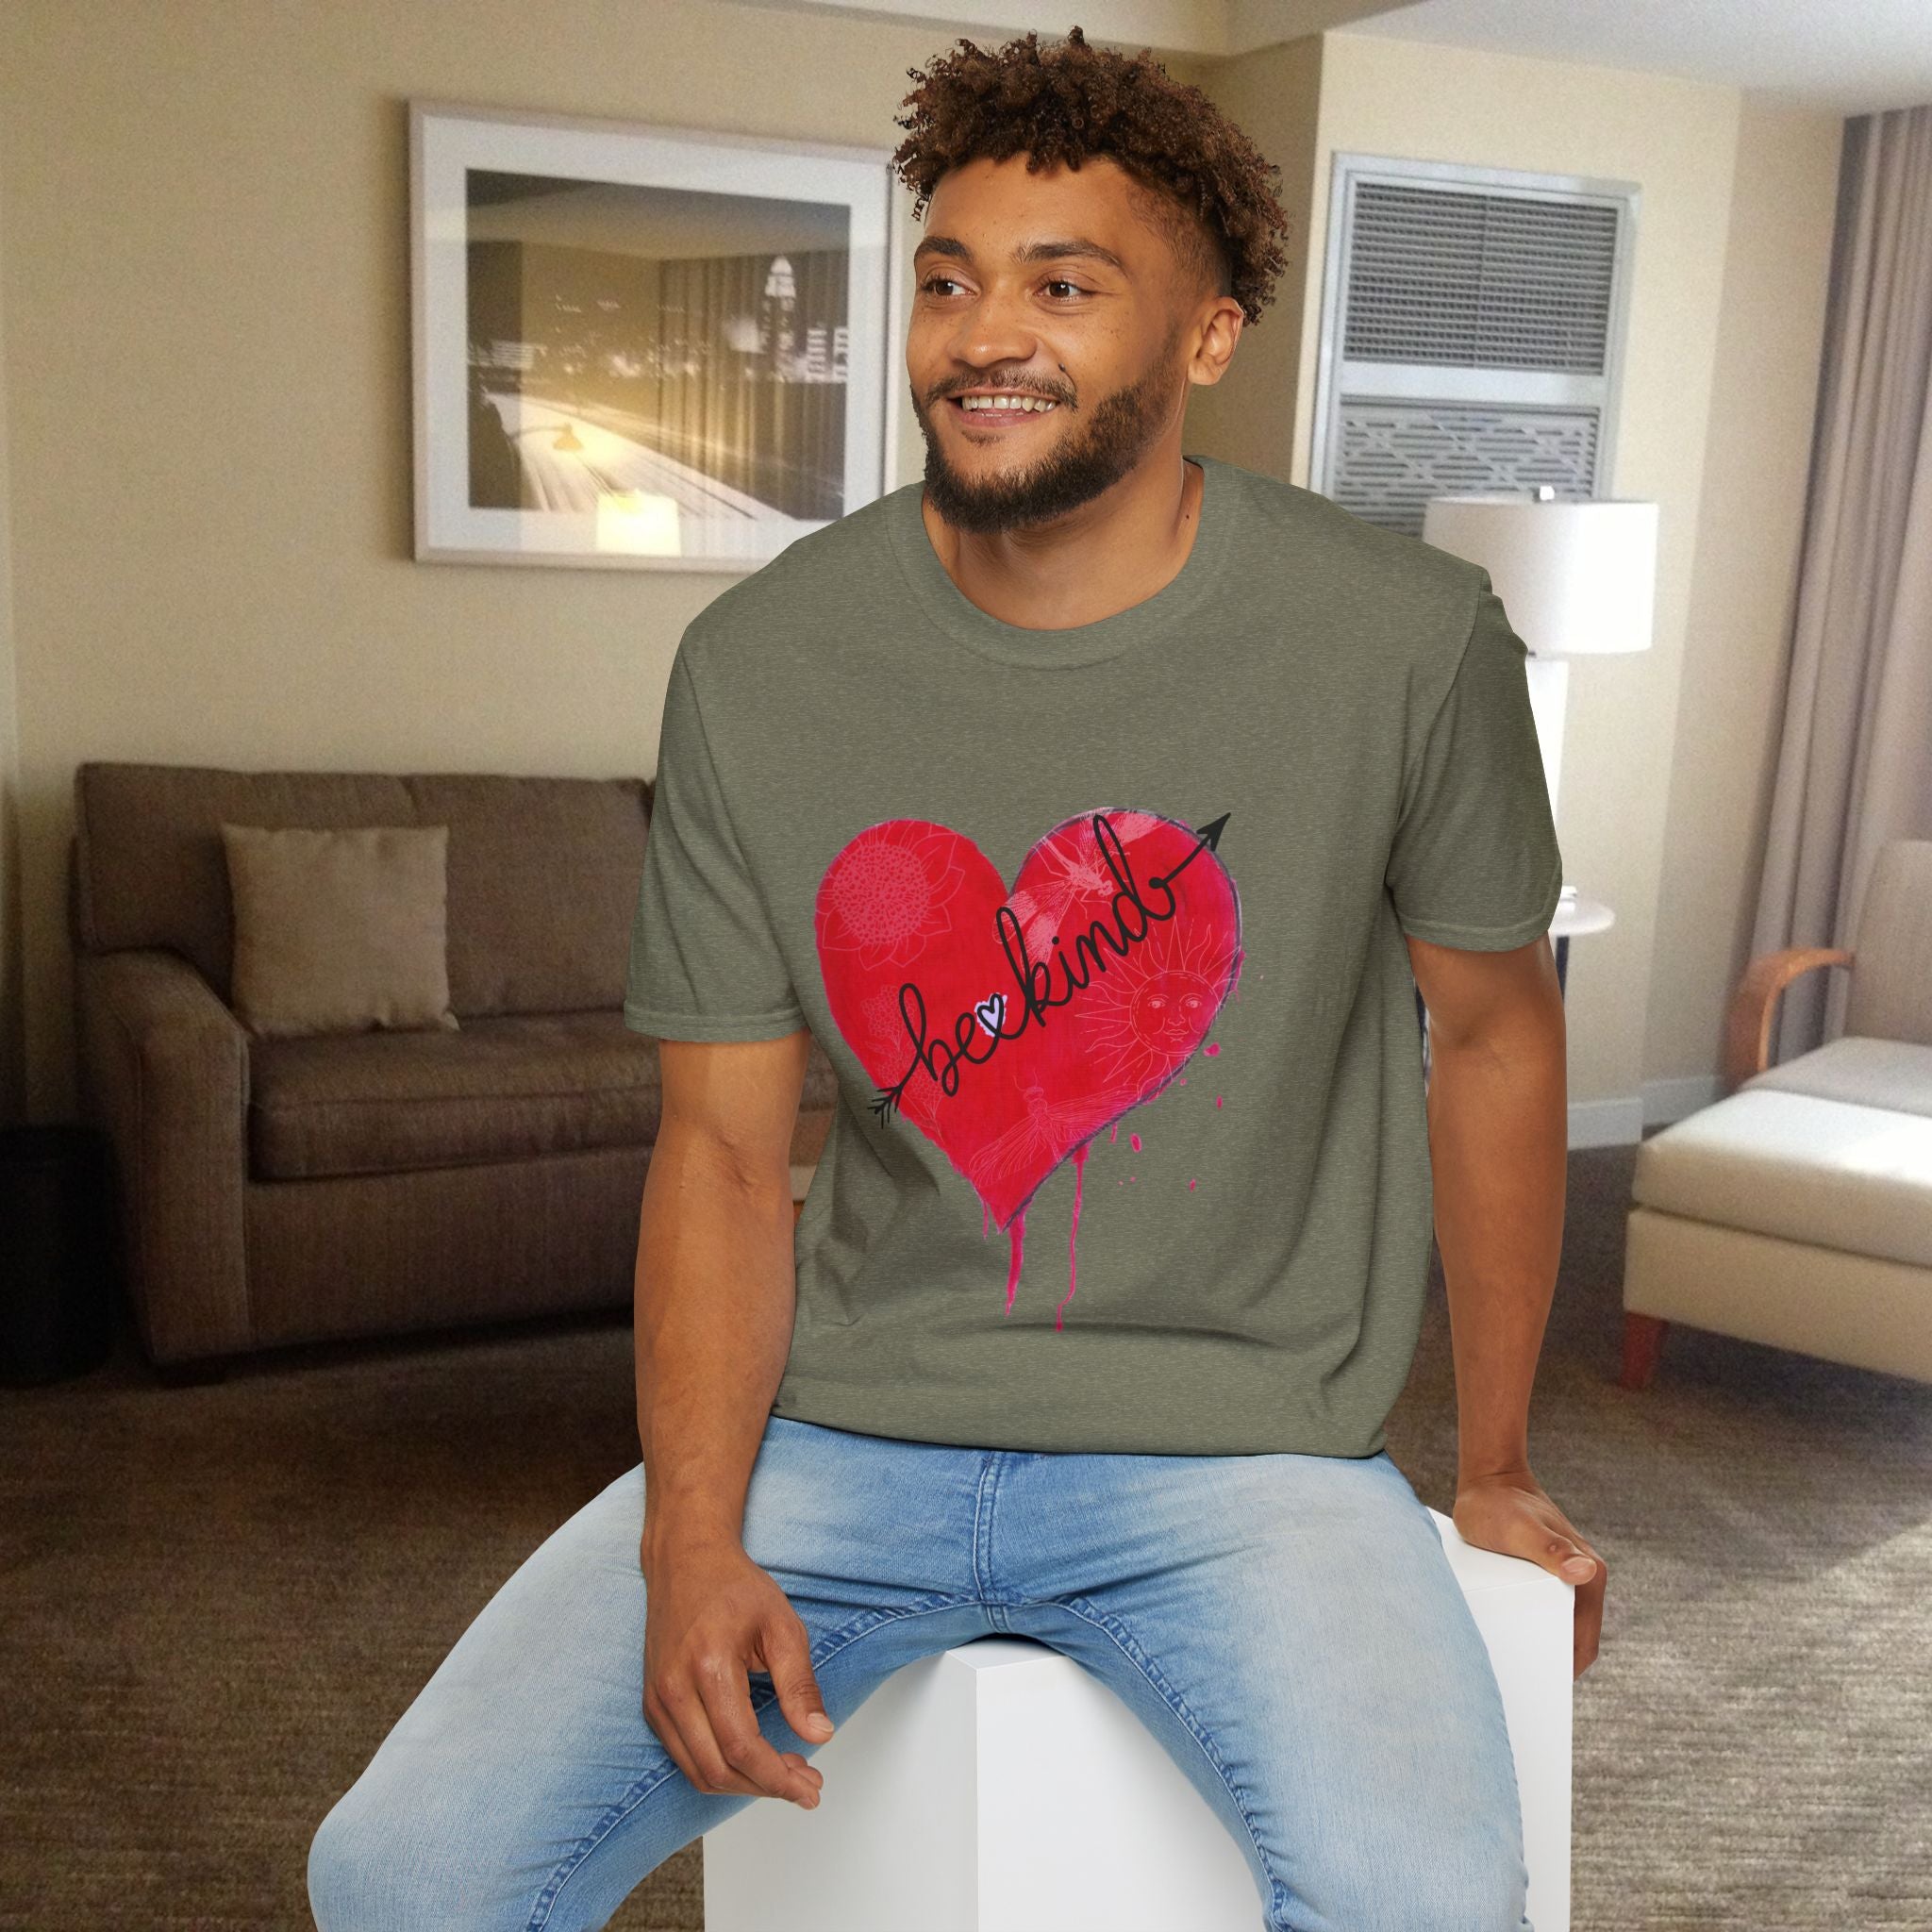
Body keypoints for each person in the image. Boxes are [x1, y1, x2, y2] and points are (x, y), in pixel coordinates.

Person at [308, 25, 1605, 1931]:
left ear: (1206, 340)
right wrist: (692, 1533)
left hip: (1247, 1452)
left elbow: (1493, 1036)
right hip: (843, 1432)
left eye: (1063, 286)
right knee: (399, 1873)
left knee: (1429, 1903)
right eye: (946, 278)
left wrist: (1491, 1463)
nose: (981, 332)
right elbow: (726, 1156)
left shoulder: (1406, 641)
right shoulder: (762, 665)